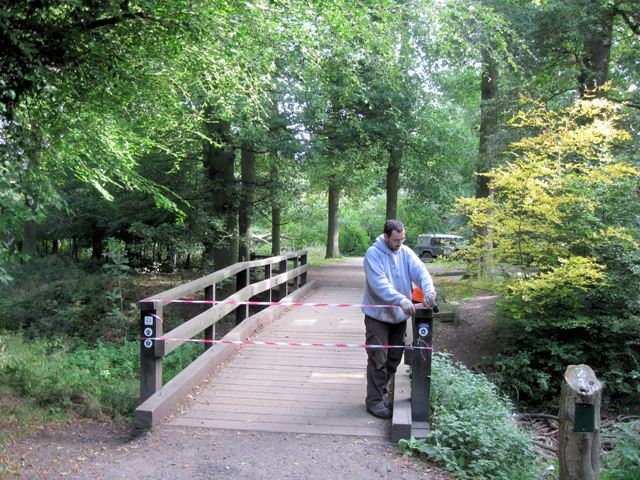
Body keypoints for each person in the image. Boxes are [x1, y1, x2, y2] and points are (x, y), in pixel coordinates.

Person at [361, 219, 436, 419]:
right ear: (386, 237)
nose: (399, 243)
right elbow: (380, 285)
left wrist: (429, 291)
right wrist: (402, 300)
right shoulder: (373, 254)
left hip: (399, 316)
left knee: (394, 356)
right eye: (396, 240)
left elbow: (420, 271)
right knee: (379, 357)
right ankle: (374, 401)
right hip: (378, 315)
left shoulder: (405, 252)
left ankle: (381, 388)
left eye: (402, 239)